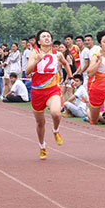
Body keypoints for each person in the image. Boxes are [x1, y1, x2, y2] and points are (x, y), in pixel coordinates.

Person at [25, 30, 73, 160]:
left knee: (56, 113)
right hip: (37, 92)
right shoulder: (34, 53)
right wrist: (37, 61)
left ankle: (56, 130)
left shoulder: (57, 54)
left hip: (52, 89)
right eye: (43, 37)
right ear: (39, 41)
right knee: (40, 123)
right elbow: (27, 72)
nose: (46, 38)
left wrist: (70, 77)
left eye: (48, 36)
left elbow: (66, 63)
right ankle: (42, 146)